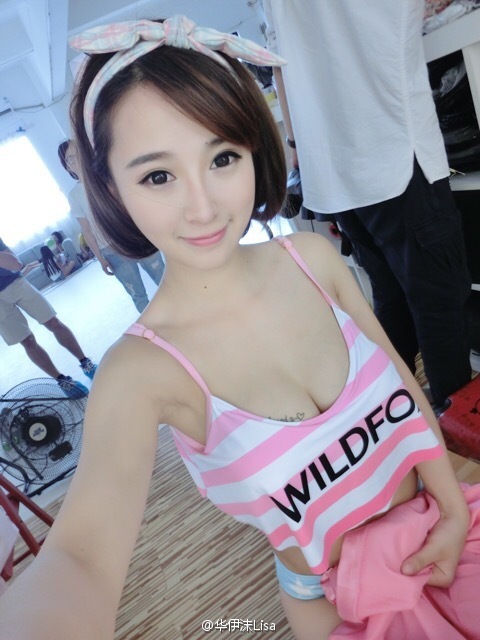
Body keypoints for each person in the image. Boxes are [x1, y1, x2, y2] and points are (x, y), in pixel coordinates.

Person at [0, 15, 479, 640]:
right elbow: (80, 556)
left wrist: (450, 508)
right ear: (111, 188)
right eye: (158, 176)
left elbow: (406, 391)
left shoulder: (313, 260)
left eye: (223, 157)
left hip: (447, 525)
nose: (204, 207)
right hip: (341, 604)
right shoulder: (140, 372)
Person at [262, 0, 472, 412]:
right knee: (439, 304)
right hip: (394, 150)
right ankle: (450, 424)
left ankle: (393, 416)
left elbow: (278, 63)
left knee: (391, 298)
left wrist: (295, 144)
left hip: (335, 167)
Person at [58, 140, 165, 313]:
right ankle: (156, 328)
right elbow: (87, 230)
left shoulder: (108, 177)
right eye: (70, 158)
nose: (77, 159)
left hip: (135, 237)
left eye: (78, 153)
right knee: (138, 295)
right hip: (111, 250)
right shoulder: (74, 195)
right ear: (67, 167)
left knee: (165, 282)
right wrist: (100, 258)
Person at [0, 238, 97, 398]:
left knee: (54, 322)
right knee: (27, 341)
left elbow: (16, 264)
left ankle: (85, 362)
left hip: (15, 283)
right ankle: (62, 380)